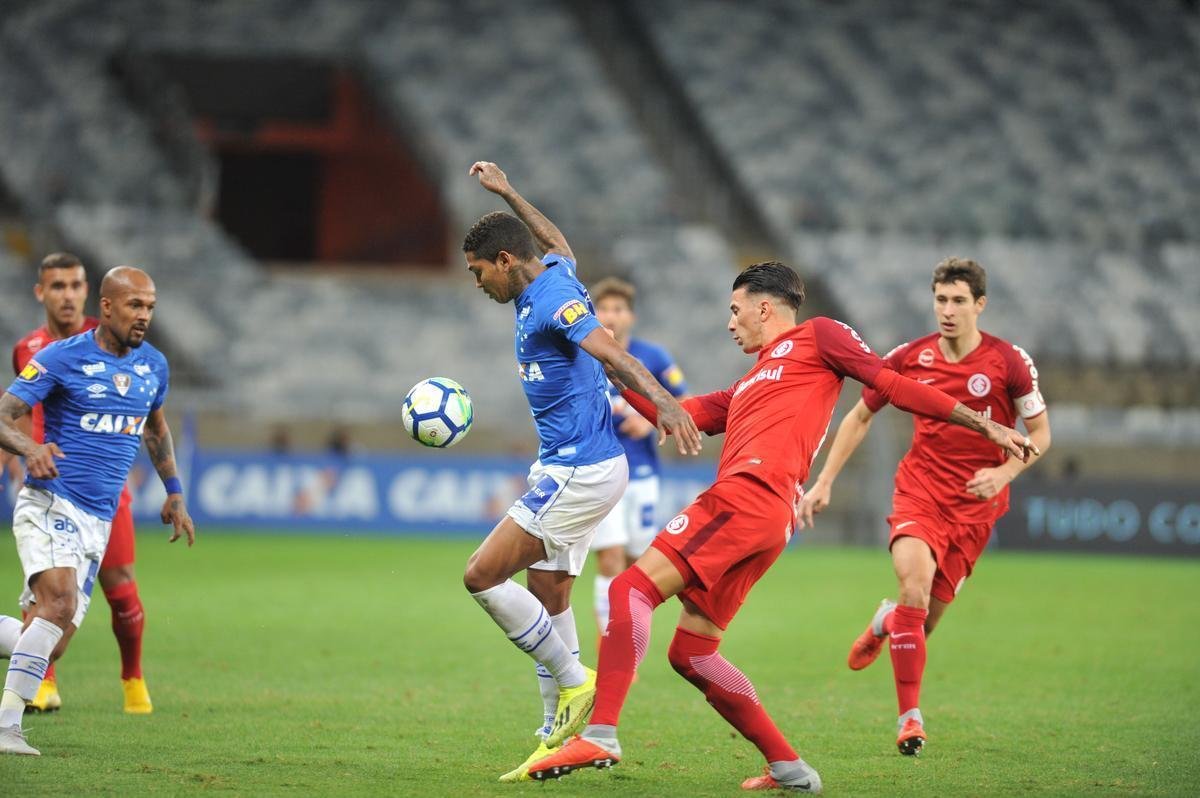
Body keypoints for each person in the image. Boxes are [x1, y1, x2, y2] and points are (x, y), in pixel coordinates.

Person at [527, 261, 1037, 791]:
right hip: (767, 517)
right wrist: (607, 366)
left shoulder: (819, 336)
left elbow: (892, 384)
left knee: (631, 587)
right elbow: (677, 412)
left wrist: (985, 423)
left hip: (749, 496)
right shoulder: (751, 380)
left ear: (762, 307)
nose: (730, 323)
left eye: (734, 310)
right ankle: (789, 766)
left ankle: (603, 732)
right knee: (693, 652)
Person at [460, 162, 701, 783]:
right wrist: (510, 192)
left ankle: (575, 683)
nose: (477, 281)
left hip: (580, 469)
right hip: (576, 465)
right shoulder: (555, 269)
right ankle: (556, 732)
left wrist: (667, 404)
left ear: (507, 260)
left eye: (479, 270)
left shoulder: (554, 301)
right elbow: (559, 243)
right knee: (552, 593)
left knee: (482, 575)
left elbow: (612, 354)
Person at [796, 257, 1051, 757]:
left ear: (980, 304)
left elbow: (1040, 434)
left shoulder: (1008, 361)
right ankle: (909, 718)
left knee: (920, 623)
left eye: (959, 301)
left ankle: (887, 622)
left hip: (976, 510)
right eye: (940, 300)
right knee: (913, 584)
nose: (948, 310)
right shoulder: (910, 356)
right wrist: (823, 480)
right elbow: (859, 416)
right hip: (920, 492)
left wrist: (1004, 472)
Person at [0, 266, 195, 756]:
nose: (144, 316)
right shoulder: (60, 357)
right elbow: (3, 414)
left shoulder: (154, 366)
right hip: (51, 500)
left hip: (99, 519)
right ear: (106, 307)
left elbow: (154, 429)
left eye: (150, 307)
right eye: (135, 305)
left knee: (52, 639)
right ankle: (6, 727)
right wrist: (30, 448)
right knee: (59, 604)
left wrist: (174, 490)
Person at [4, 252, 154, 715]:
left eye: (75, 286)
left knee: (119, 586)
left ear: (92, 294)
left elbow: (147, 415)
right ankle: (37, 687)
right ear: (41, 293)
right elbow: (19, 413)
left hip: (106, 497)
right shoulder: (28, 349)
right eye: (57, 287)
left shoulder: (114, 339)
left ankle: (133, 677)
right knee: (54, 598)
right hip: (51, 489)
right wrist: (19, 460)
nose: (67, 296)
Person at [588, 277, 688, 632]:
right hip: (600, 471)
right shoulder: (585, 354)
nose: (611, 316)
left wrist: (649, 421)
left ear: (631, 316)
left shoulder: (654, 357)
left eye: (618, 309)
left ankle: (625, 641)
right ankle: (607, 642)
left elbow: (682, 402)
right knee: (610, 557)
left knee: (635, 564)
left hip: (643, 472)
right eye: (604, 308)